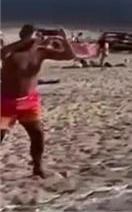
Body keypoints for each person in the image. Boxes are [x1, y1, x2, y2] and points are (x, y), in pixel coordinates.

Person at [1, 24, 76, 177]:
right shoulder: (12, 51)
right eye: (28, 34)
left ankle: (38, 167)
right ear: (22, 35)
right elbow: (2, 53)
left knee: (37, 135)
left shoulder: (41, 52)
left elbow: (69, 56)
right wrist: (25, 41)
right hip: (6, 101)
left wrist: (64, 40)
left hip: (29, 102)